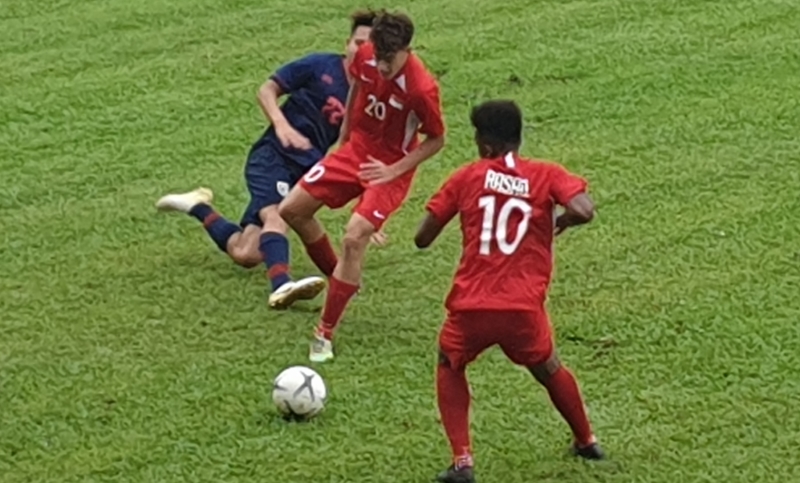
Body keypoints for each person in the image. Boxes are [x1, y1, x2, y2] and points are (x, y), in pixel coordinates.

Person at [414, 100, 605, 483]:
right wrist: (560, 220)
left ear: (484, 143)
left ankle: (462, 461)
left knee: (450, 363)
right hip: (523, 308)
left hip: (472, 306)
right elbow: (584, 209)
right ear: (518, 138)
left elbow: (422, 237)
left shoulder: (467, 176)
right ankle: (586, 440)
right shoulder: (545, 174)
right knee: (547, 366)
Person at [154, 10, 382, 310]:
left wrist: (368, 207)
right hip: (271, 156)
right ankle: (283, 285)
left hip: (304, 169)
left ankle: (198, 206)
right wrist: (281, 125)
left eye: (369, 46)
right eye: (357, 42)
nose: (360, 50)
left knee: (246, 253)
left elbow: (354, 148)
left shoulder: (370, 93)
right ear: (347, 42)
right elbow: (267, 89)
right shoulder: (319, 66)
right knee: (280, 216)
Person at [278, 9, 446, 361]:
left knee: (354, 236)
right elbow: (356, 86)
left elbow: (436, 139)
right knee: (292, 209)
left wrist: (393, 170)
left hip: (389, 165)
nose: (382, 66)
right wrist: (344, 137)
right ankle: (340, 277)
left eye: (390, 59)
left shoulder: (421, 88)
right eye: (379, 57)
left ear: (407, 49)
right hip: (356, 149)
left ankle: (324, 332)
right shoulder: (367, 54)